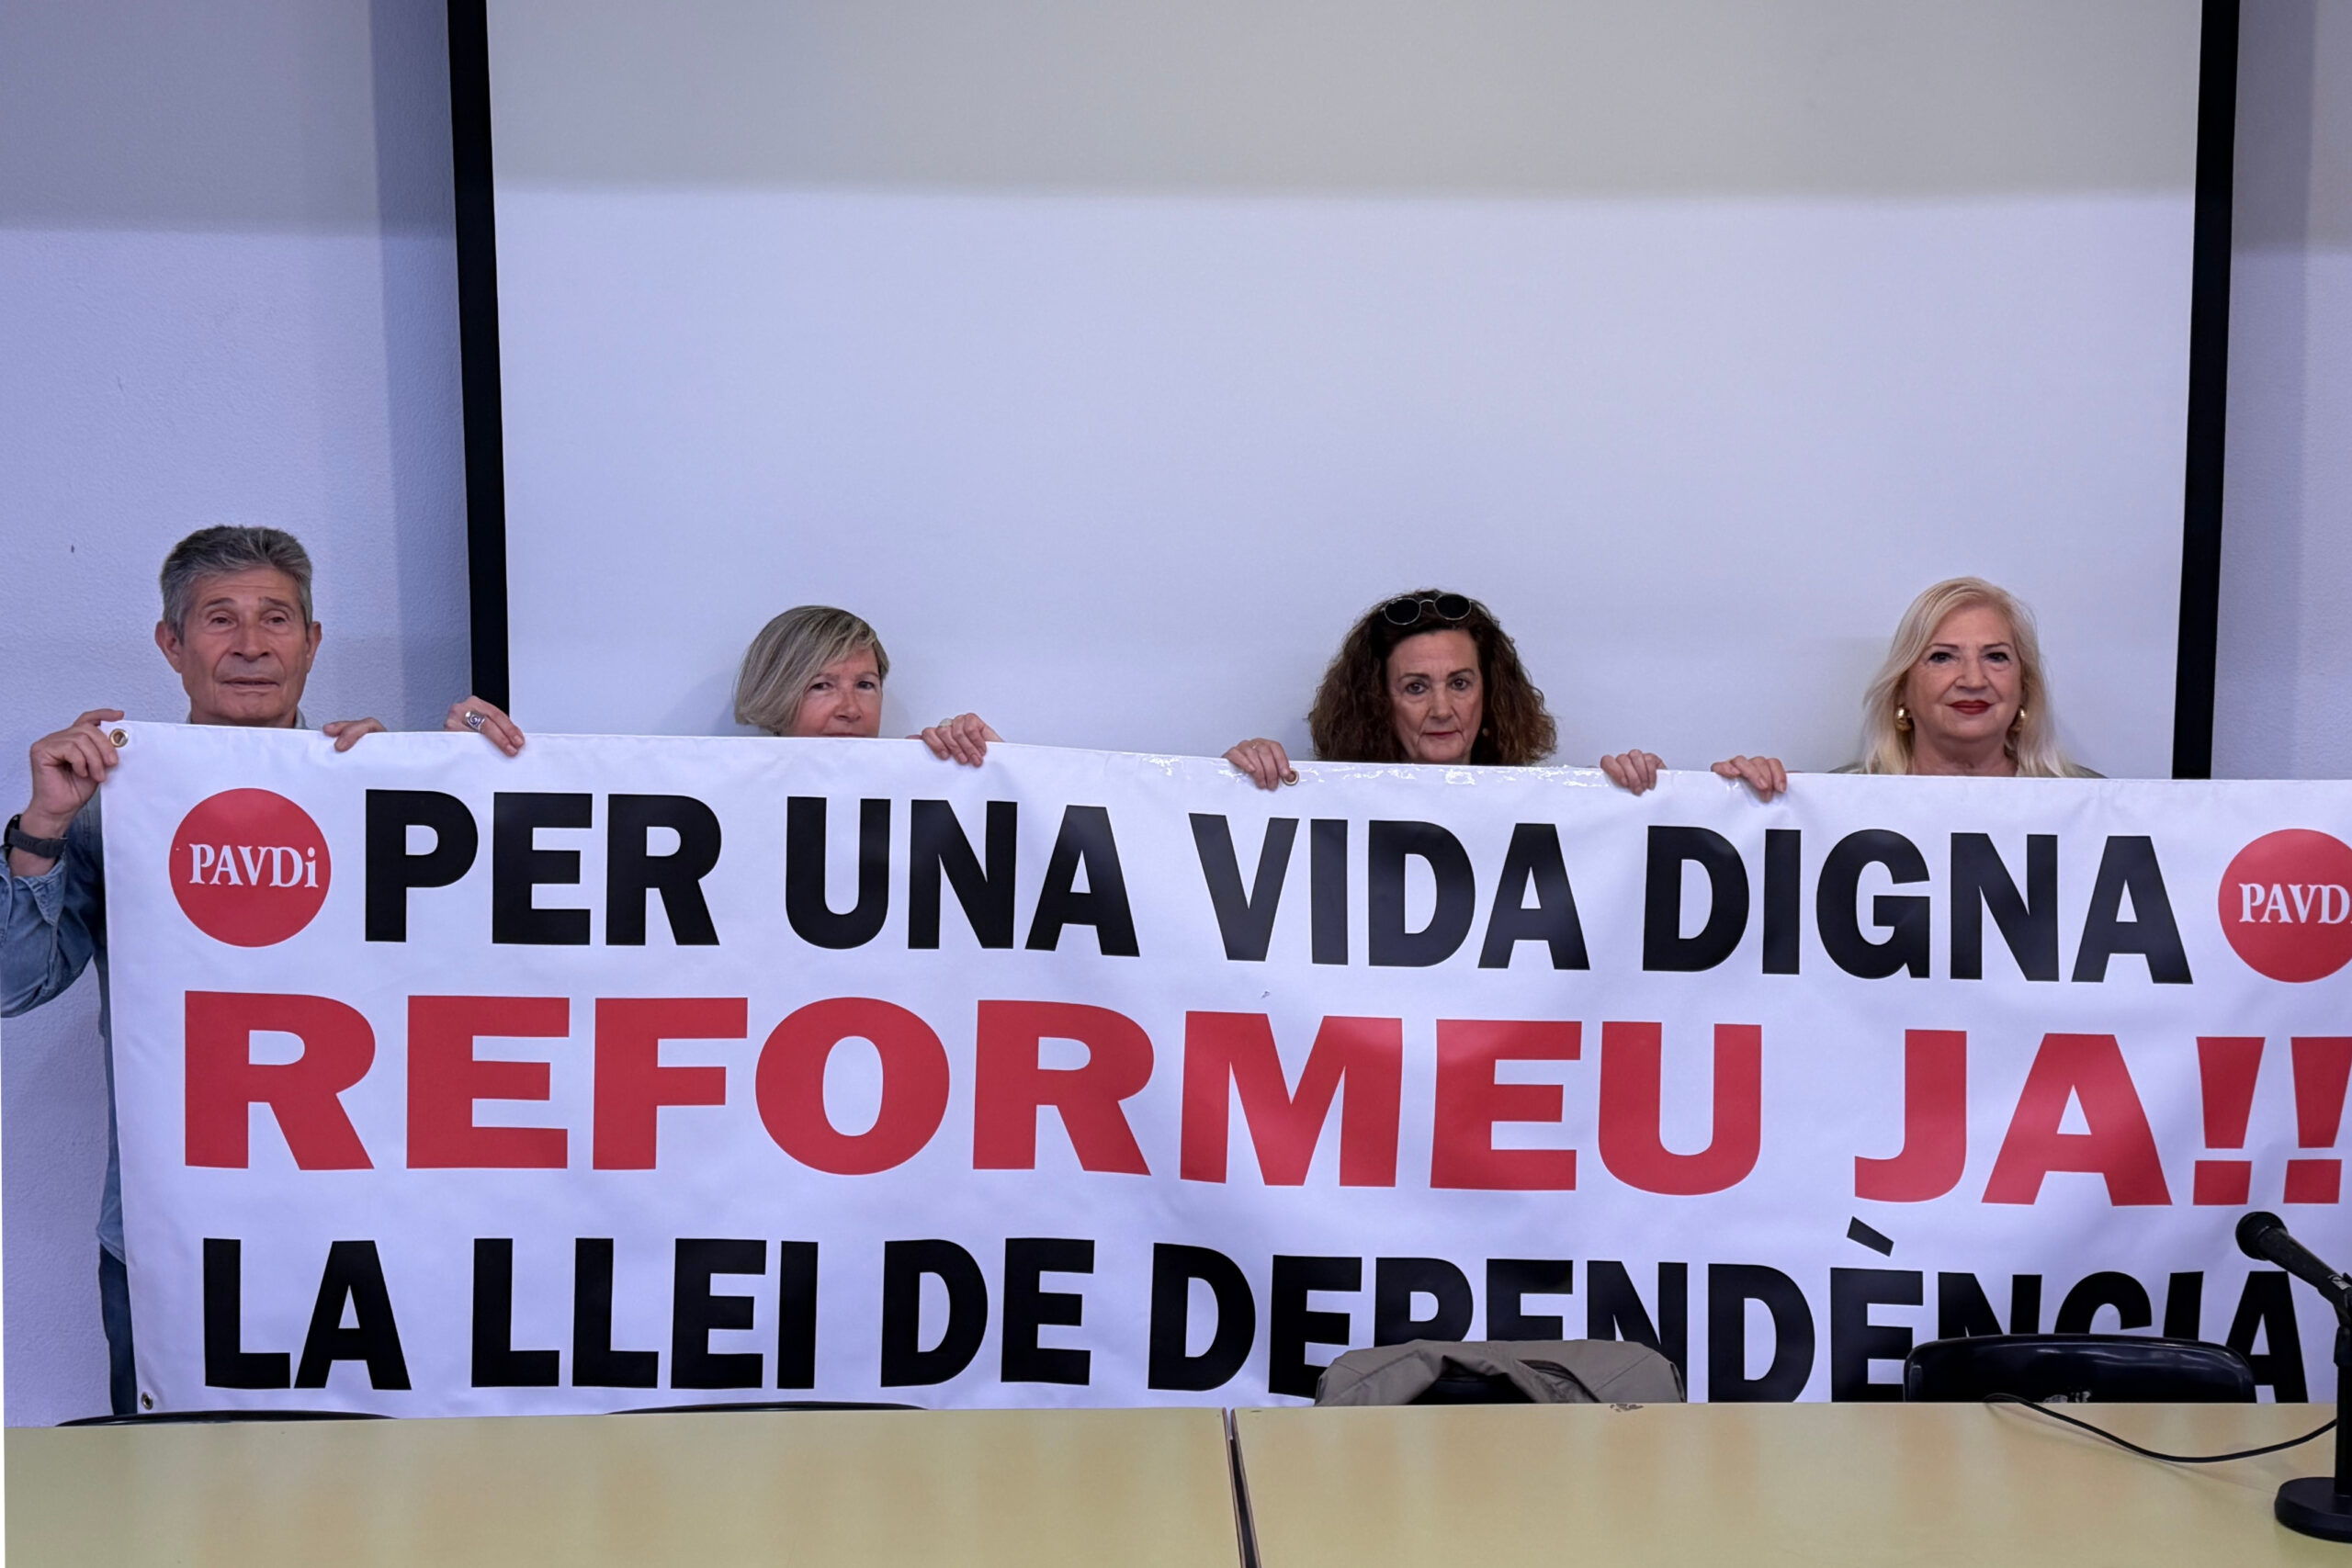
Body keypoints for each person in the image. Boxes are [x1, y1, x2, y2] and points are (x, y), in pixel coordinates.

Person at [1, 525, 514, 1416]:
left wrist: (485, 789)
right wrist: (42, 827)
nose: (250, 645)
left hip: (377, 1228)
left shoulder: (388, 788)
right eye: (219, 619)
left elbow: (504, 977)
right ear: (171, 643)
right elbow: (15, 987)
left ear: (311, 643)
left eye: (275, 618)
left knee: (378, 1490)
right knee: (171, 1492)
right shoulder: (107, 805)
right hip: (173, 1239)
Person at [1223, 589, 1666, 790]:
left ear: (1490, 695)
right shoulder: (1325, 813)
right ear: (1379, 702)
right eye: (1416, 687)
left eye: (1459, 683)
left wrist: (1643, 796)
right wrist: (1236, 786)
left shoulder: (1546, 810)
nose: (1441, 709)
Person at [1708, 575, 2094, 797]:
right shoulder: (1835, 802)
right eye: (1942, 657)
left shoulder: (2093, 804)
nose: (1974, 680)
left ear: (2025, 687)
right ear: (1902, 690)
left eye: (1996, 656)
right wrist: (1744, 803)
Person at [734, 604, 1001, 764]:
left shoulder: (916, 783)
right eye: (822, 686)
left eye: (864, 685)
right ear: (773, 693)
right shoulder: (732, 790)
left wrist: (998, 765)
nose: (850, 710)